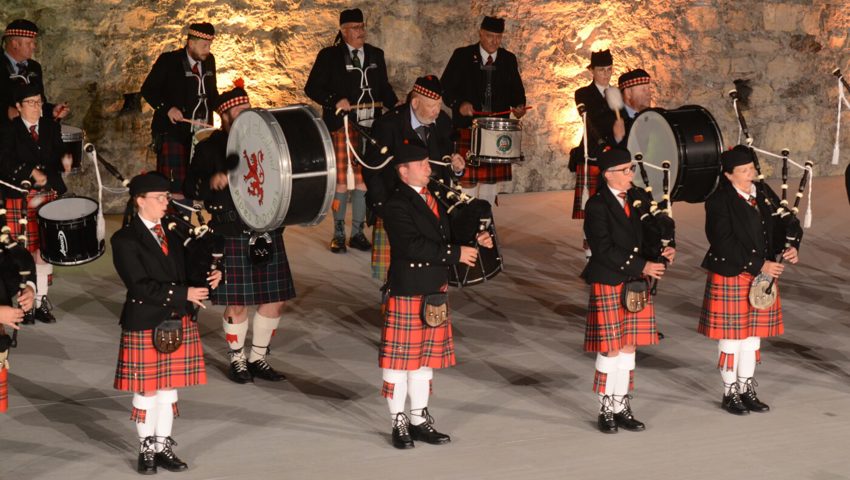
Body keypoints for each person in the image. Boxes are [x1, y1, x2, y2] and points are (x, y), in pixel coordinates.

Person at [379, 142, 493, 449]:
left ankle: (418, 419)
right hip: (409, 287)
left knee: (423, 361)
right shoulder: (396, 204)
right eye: (421, 164)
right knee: (399, 362)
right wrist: (456, 253)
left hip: (434, 288)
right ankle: (398, 422)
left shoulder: (433, 197)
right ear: (403, 171)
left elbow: (445, 234)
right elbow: (411, 247)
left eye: (427, 162)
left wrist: (475, 239)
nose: (428, 167)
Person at [184, 83, 294, 384]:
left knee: (274, 299)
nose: (247, 117)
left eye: (248, 110)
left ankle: (258, 357)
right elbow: (190, 187)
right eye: (240, 113)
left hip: (267, 228)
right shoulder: (209, 148)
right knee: (237, 302)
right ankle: (237, 359)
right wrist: (212, 182)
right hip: (231, 229)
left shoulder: (264, 142)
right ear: (225, 116)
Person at [111, 172, 221, 474]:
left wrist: (211, 275)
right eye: (159, 198)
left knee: (169, 387)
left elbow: (189, 269)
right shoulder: (124, 239)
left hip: (175, 319)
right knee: (147, 390)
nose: (165, 203)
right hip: (145, 319)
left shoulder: (172, 233)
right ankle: (146, 447)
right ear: (140, 201)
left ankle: (162, 446)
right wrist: (184, 292)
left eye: (166, 197)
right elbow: (139, 286)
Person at [698, 145, 801, 415]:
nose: (750, 174)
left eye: (752, 169)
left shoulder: (763, 193)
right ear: (728, 174)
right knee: (733, 339)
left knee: (753, 337)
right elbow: (722, 242)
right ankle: (729, 392)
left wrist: (792, 245)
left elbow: (787, 222)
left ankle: (746, 389)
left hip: (763, 273)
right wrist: (759, 264)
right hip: (733, 272)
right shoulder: (719, 201)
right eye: (743, 171)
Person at [581, 147, 675, 434]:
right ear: (608, 175)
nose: (631, 174)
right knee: (610, 349)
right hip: (610, 279)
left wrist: (663, 249)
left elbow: (649, 233)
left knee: (629, 345)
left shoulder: (638, 197)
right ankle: (605, 408)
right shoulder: (596, 206)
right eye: (625, 170)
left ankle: (622, 405)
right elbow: (603, 250)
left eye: (631, 169)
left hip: (635, 281)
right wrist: (642, 266)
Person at [305, 7, 399, 253]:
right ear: (343, 31)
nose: (361, 32)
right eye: (355, 28)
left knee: (363, 182)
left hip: (371, 126)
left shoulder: (376, 54)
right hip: (342, 126)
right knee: (341, 182)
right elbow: (312, 88)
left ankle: (357, 233)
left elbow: (384, 88)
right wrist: (335, 99)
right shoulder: (329, 56)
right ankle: (338, 233)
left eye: (362, 27)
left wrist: (395, 103)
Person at [364, 75, 465, 282]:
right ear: (415, 102)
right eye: (431, 106)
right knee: (394, 272)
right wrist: (385, 208)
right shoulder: (388, 124)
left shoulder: (443, 121)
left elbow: (445, 162)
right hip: (397, 204)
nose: (436, 111)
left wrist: (456, 168)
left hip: (431, 204)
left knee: (431, 264)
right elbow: (372, 171)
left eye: (438, 105)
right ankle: (393, 308)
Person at [440, 15, 526, 206]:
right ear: (480, 33)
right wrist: (459, 104)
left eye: (498, 37)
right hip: (468, 130)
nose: (494, 41)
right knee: (467, 182)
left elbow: (517, 93)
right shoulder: (462, 56)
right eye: (489, 36)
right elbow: (445, 88)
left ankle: (486, 226)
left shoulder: (508, 59)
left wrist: (519, 107)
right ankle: (467, 225)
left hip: (496, 132)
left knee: (490, 183)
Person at [0, 82, 66, 324]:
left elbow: (58, 153)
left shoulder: (49, 126)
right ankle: (24, 303)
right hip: (19, 197)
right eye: (31, 103)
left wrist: (64, 160)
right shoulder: (8, 130)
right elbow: (5, 163)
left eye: (39, 102)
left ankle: (40, 303)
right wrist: (30, 171)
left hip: (47, 195)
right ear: (18, 107)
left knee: (44, 251)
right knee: (22, 251)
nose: (37, 107)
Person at [141, 22, 219, 196]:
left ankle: (190, 221)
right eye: (204, 45)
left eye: (209, 45)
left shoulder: (209, 60)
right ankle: (174, 221)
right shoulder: (169, 60)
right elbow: (148, 90)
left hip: (201, 134)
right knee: (174, 186)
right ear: (191, 43)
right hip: (173, 133)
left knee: (195, 184)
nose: (208, 49)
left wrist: (227, 109)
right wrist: (167, 109)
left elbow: (212, 94)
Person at [570, 49, 617, 258]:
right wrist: (601, 143)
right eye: (601, 70)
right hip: (592, 153)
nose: (606, 74)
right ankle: (590, 251)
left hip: (614, 155)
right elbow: (589, 122)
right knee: (592, 205)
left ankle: (610, 246)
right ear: (592, 71)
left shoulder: (617, 93)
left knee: (612, 203)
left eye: (609, 69)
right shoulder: (582, 93)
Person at [0, 19, 69, 126]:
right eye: (29, 43)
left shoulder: (34, 67)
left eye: (34, 42)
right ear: (15, 44)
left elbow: (38, 103)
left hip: (28, 134)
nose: (34, 47)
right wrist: (7, 112)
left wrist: (52, 111)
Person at [612, 69, 652, 146]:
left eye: (649, 89)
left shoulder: (653, 116)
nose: (649, 94)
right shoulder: (611, 118)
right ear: (628, 93)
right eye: (643, 89)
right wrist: (617, 139)